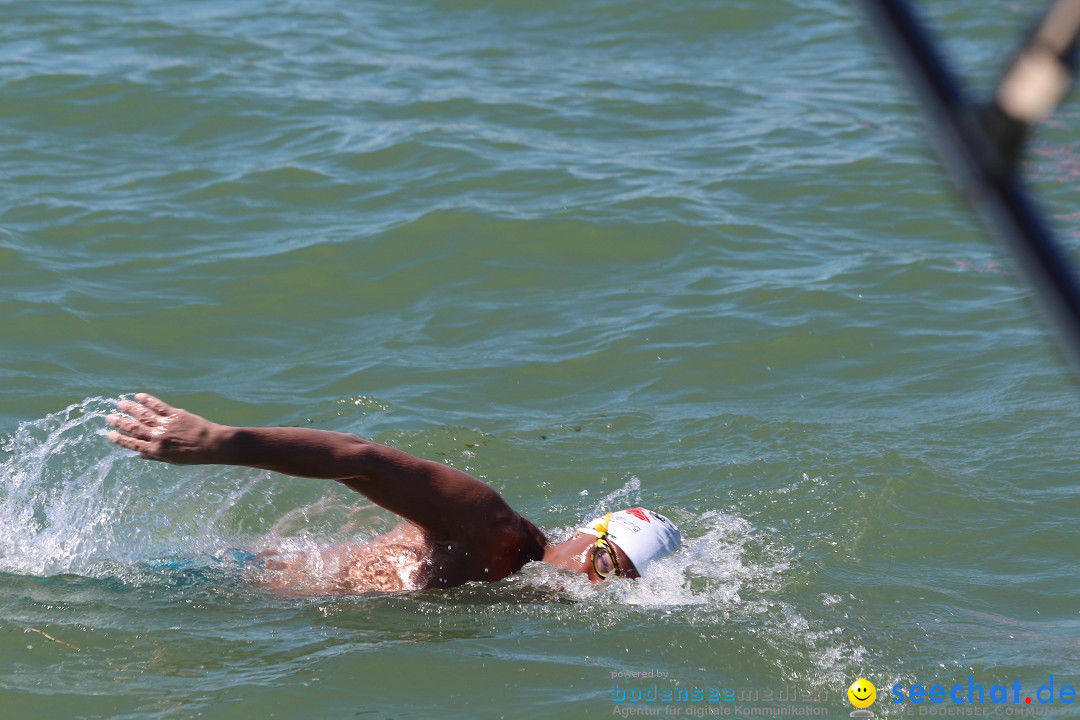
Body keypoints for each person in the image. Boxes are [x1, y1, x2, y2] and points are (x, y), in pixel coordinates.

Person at [106, 393, 681, 593]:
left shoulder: (523, 597)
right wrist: (220, 441)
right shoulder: (494, 529)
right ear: (587, 537)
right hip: (224, 580)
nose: (595, 584)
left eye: (619, 583)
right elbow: (363, 459)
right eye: (604, 564)